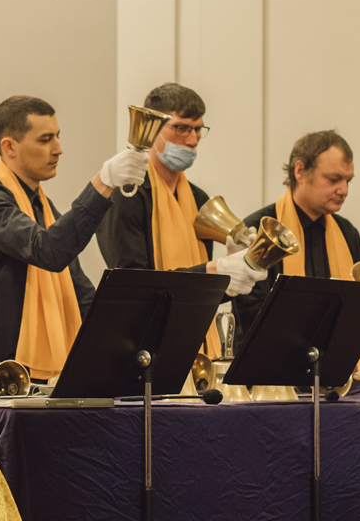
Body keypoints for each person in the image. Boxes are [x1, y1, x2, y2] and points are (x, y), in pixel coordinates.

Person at [0, 95, 147, 375]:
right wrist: (103, 183)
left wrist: (128, 336)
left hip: (36, 367)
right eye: (45, 140)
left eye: (57, 137)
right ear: (9, 147)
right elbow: (47, 250)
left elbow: (80, 291)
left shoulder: (43, 208)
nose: (58, 149)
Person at [95, 83, 266, 354]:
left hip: (199, 345)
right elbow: (132, 287)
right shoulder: (126, 194)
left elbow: (201, 299)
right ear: (152, 129)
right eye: (181, 128)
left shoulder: (199, 200)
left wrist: (231, 279)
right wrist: (212, 272)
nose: (193, 140)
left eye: (198, 129)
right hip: (141, 346)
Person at [233, 129, 360, 330]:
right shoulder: (259, 230)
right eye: (333, 179)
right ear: (300, 171)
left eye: (347, 180)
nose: (344, 190)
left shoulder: (347, 232)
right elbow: (250, 312)